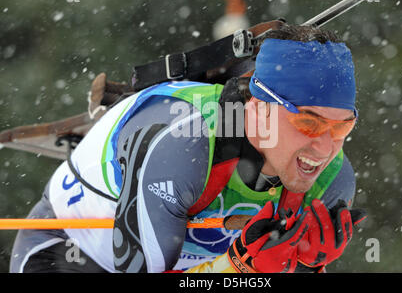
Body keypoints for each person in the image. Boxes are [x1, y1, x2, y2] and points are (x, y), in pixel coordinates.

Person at [9, 24, 366, 273]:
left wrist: (304, 267)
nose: (324, 146)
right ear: (258, 109)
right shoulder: (185, 140)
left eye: (342, 126)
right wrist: (240, 268)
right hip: (68, 255)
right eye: (308, 122)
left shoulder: (332, 181)